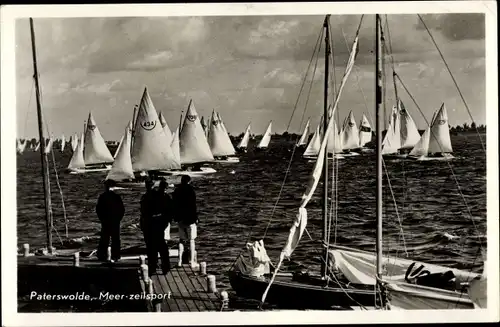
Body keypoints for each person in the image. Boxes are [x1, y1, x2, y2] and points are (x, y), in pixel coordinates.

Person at [140, 178, 172, 276]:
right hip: (158, 222)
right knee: (161, 246)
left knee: (152, 247)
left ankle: (153, 267)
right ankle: (164, 267)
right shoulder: (159, 195)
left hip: (151, 222)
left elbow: (143, 212)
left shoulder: (146, 197)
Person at [96, 179, 125, 262]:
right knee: (115, 239)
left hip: (107, 221)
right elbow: (122, 210)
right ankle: (115, 256)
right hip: (114, 221)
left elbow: (98, 210)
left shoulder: (103, 197)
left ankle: (102, 255)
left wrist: (102, 219)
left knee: (105, 239)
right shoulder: (116, 197)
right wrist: (118, 219)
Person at [172, 175, 199, 264]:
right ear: (189, 181)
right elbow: (193, 206)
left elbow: (174, 205)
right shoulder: (191, 191)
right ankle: (191, 261)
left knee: (181, 240)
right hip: (190, 218)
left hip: (180, 218)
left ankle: (179, 261)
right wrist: (196, 218)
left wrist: (176, 216)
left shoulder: (177, 190)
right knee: (191, 240)